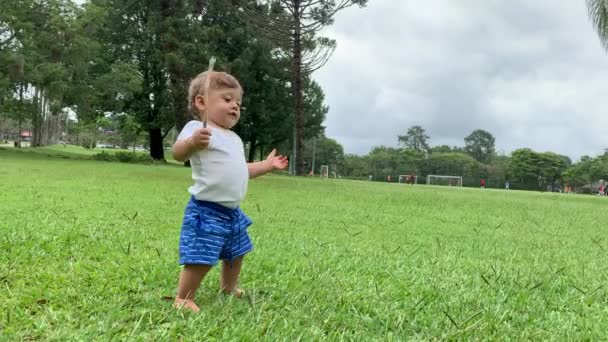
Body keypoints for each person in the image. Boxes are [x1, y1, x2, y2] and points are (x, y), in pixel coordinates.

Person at [171, 70, 288, 312]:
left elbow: (240, 169)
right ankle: (183, 297)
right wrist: (193, 142)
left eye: (238, 103)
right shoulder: (197, 128)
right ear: (201, 102)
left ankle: (228, 286)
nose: (235, 106)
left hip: (232, 213)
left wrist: (267, 166)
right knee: (201, 256)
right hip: (207, 209)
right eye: (227, 99)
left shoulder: (234, 139)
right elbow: (178, 153)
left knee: (236, 253)